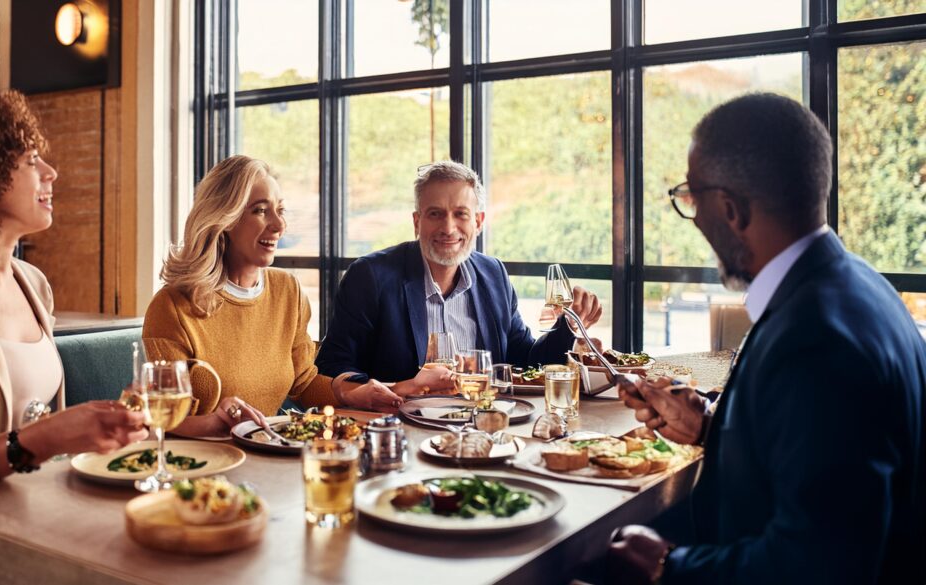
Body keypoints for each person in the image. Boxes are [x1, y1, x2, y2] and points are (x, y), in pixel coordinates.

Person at [608, 93, 925, 584]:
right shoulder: (859, 285)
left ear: (730, 209)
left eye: (692, 200)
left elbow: (820, 566)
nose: (696, 222)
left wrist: (667, 566)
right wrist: (709, 426)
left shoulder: (816, 339)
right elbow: (820, 462)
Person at [0, 92, 149, 499]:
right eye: (32, 161)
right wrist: (44, 437)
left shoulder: (33, 282)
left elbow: (42, 425)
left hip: (42, 502)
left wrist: (94, 427)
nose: (51, 173)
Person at [141, 155, 401, 437]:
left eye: (280, 210)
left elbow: (303, 383)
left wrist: (354, 393)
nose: (279, 225)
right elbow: (158, 419)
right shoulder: (171, 307)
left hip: (269, 456)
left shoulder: (287, 290)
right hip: (202, 465)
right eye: (260, 211)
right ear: (225, 218)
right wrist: (216, 422)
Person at [315, 160, 603, 396]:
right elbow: (332, 367)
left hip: (484, 426)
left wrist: (568, 327)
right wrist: (394, 390)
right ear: (417, 222)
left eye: (460, 214)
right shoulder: (370, 276)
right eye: (435, 214)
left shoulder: (494, 274)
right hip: (401, 430)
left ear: (478, 222)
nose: (448, 228)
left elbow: (525, 361)